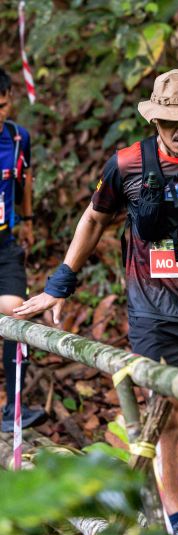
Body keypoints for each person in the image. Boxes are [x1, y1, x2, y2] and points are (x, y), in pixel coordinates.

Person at [14, 69, 178, 535]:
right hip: (152, 309)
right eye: (172, 121)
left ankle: (165, 484)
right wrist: (59, 284)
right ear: (154, 119)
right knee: (167, 413)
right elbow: (93, 220)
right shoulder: (127, 164)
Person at [0, 67, 46, 432]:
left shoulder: (17, 138)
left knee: (17, 315)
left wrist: (27, 219)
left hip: (5, 244)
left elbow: (25, 178)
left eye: (2, 106)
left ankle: (13, 409)